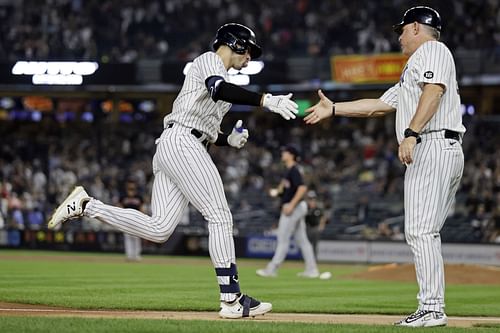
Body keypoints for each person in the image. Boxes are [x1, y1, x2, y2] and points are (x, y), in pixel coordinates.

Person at [48, 22, 299, 319]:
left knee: (160, 229)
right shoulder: (209, 61)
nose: (250, 59)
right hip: (181, 142)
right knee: (219, 215)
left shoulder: (223, 78)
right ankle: (231, 300)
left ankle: (87, 205)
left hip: (179, 144)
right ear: (235, 44)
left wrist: (228, 139)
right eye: (249, 52)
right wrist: (265, 100)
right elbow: (217, 89)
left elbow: (208, 126)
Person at [304, 6, 464, 327]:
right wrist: (334, 108)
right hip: (440, 146)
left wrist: (411, 133)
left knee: (419, 231)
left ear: (417, 28)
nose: (399, 36)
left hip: (431, 143)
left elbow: (434, 92)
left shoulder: (432, 50)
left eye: (402, 29)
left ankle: (432, 308)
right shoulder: (414, 67)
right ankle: (433, 305)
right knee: (425, 232)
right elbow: (377, 106)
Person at [256, 144, 320, 278]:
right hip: (297, 207)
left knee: (283, 239)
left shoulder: (294, 170)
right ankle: (312, 270)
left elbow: (302, 188)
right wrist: (276, 192)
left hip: (294, 208)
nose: (282, 154)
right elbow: (283, 190)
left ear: (291, 155)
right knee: (302, 240)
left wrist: (291, 204)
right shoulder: (289, 170)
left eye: (285, 152)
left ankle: (272, 269)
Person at [120, 179, 144, 262]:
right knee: (127, 238)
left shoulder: (138, 197)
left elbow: (141, 208)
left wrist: (142, 218)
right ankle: (129, 255)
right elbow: (119, 207)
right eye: (130, 184)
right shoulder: (123, 196)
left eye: (132, 184)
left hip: (136, 219)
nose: (131, 186)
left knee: (136, 238)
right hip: (126, 220)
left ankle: (136, 255)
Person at [304, 190, 328, 258]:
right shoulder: (305, 208)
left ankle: (314, 259)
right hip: (307, 228)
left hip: (315, 228)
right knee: (306, 244)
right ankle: (307, 258)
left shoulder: (318, 208)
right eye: (310, 199)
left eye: (313, 199)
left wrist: (321, 225)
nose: (312, 200)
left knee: (315, 245)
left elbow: (323, 217)